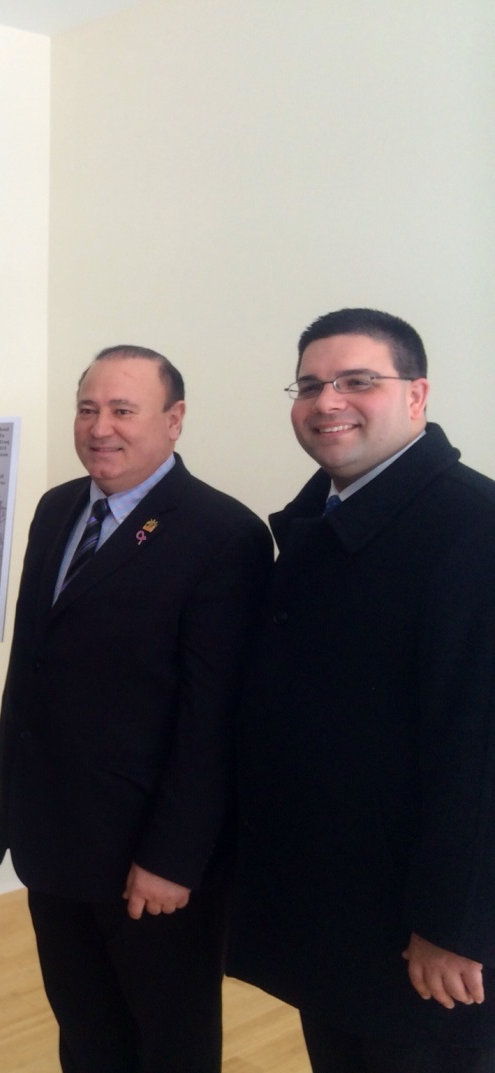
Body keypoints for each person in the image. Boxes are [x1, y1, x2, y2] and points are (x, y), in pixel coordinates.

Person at [0, 345, 271, 1073]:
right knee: (86, 1030)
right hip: (53, 835)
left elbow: (215, 721)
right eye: (88, 408)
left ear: (174, 420)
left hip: (152, 860)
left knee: (168, 1042)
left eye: (123, 409)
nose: (99, 427)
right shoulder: (57, 509)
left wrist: (172, 858)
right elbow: (35, 666)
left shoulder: (223, 535)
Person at [229, 308, 495, 1071]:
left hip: (421, 932)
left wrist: (453, 923)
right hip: (339, 913)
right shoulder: (329, 518)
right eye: (310, 384)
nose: (327, 401)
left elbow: (480, 749)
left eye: (357, 381)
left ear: (417, 396)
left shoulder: (473, 529)